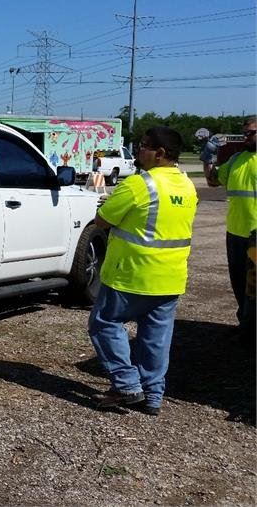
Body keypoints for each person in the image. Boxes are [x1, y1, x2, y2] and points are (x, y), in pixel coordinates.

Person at [88, 126, 198, 416]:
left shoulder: (139, 184)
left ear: (160, 153)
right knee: (155, 337)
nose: (138, 151)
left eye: (144, 146)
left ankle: (127, 384)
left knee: (105, 324)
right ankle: (153, 396)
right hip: (170, 277)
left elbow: (102, 220)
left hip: (131, 274)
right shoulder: (187, 186)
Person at [206, 116, 257, 343]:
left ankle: (250, 331)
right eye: (245, 132)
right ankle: (245, 325)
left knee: (254, 287)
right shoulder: (237, 159)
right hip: (236, 232)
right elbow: (213, 181)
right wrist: (208, 158)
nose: (247, 137)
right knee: (238, 282)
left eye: (252, 133)